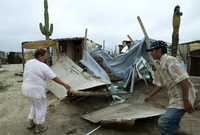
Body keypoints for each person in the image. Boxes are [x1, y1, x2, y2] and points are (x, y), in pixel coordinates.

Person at [144, 40, 196, 135]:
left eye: (152, 50)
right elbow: (159, 85)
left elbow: (184, 81)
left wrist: (186, 101)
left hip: (183, 97)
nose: (151, 53)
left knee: (164, 122)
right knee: (171, 124)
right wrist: (149, 96)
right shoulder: (158, 64)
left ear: (159, 50)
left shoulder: (170, 60)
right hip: (174, 98)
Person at [21, 48, 71, 134]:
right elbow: (54, 78)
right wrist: (65, 84)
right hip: (36, 90)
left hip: (26, 89)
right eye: (45, 56)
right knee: (41, 107)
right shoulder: (43, 66)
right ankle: (39, 126)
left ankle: (30, 122)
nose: (46, 58)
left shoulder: (28, 62)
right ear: (40, 56)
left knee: (34, 105)